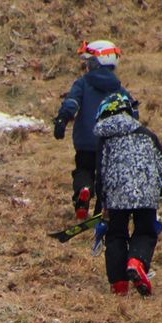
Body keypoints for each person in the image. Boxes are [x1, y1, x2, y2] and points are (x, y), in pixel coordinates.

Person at [92, 92, 162, 296]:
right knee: (145, 232)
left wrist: (100, 207)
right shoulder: (146, 134)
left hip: (116, 196)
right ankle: (136, 262)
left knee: (116, 235)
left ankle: (119, 285)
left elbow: (101, 173)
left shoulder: (105, 139)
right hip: (146, 193)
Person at [53, 40, 138, 220]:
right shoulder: (119, 89)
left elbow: (71, 102)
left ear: (95, 62)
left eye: (89, 62)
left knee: (83, 170)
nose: (86, 66)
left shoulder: (83, 83)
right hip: (110, 143)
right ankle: (103, 211)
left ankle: (83, 191)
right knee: (107, 178)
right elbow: (133, 112)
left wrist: (62, 119)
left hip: (86, 140)